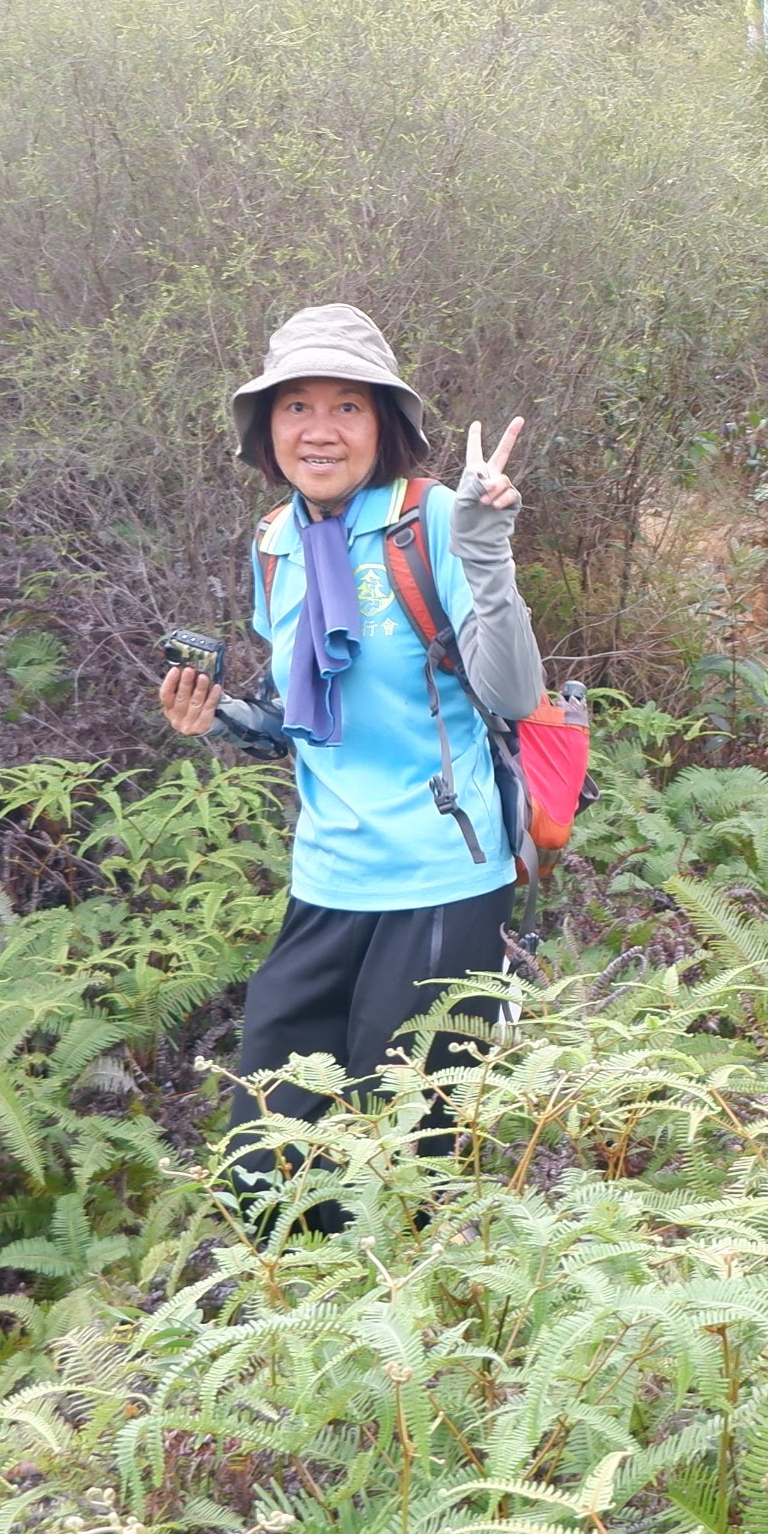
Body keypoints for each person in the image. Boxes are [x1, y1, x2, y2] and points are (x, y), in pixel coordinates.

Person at [157, 302, 540, 1215]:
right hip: (329, 876)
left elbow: (515, 692)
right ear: (267, 428)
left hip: (442, 877)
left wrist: (486, 553)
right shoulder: (275, 542)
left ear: (384, 424)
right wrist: (218, 719)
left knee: (404, 1155)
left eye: (347, 407)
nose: (319, 430)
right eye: (296, 406)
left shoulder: (433, 520)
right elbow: (302, 717)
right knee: (268, 1151)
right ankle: (290, 1296)